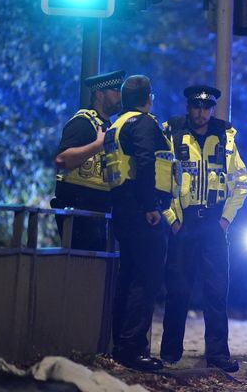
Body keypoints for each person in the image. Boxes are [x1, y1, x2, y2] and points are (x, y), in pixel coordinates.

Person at [159, 85, 247, 371]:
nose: (201, 113)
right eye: (196, 107)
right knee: (177, 290)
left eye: (206, 107)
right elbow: (160, 179)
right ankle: (170, 354)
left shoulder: (225, 138)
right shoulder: (173, 134)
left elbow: (241, 181)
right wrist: (172, 219)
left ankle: (218, 356)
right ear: (188, 108)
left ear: (212, 109)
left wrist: (225, 220)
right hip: (183, 222)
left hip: (213, 223)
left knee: (216, 291)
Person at [104, 74, 180, 372]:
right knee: (145, 279)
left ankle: (120, 346)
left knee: (128, 277)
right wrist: (151, 206)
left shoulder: (117, 124)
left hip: (123, 207)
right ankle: (133, 349)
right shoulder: (144, 123)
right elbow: (147, 161)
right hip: (141, 210)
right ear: (149, 97)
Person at [51, 70, 125, 250]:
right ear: (99, 94)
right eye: (115, 90)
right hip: (79, 214)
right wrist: (98, 145)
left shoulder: (107, 126)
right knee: (82, 271)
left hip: (98, 214)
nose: (120, 95)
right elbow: (62, 160)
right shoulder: (83, 123)